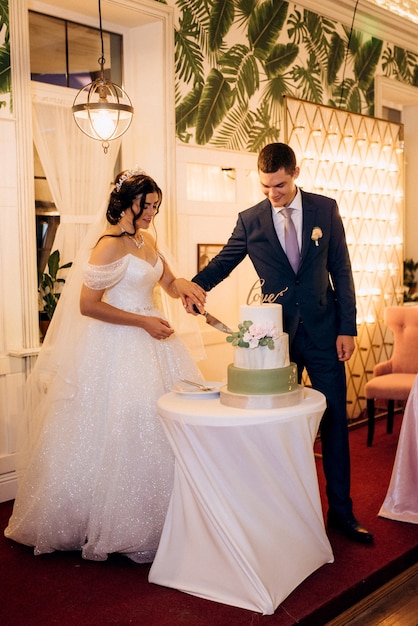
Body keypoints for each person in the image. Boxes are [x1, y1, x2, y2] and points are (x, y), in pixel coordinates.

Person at [5, 171, 206, 562]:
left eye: (156, 206)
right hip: (118, 345)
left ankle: (167, 518)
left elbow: (164, 281)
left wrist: (184, 287)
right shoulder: (108, 246)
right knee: (125, 424)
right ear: (126, 202)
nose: (152, 213)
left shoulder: (148, 240)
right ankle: (112, 523)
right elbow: (88, 305)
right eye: (146, 206)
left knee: (165, 422)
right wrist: (143, 321)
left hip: (156, 342)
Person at [187, 143, 373, 544]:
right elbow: (224, 261)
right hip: (274, 341)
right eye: (267, 186)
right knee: (279, 426)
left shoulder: (325, 209)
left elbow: (341, 269)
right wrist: (196, 287)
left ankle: (342, 512)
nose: (273, 193)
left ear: (296, 172)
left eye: (281, 185)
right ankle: (285, 512)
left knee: (335, 423)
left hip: (325, 336)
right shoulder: (250, 220)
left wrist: (348, 327)